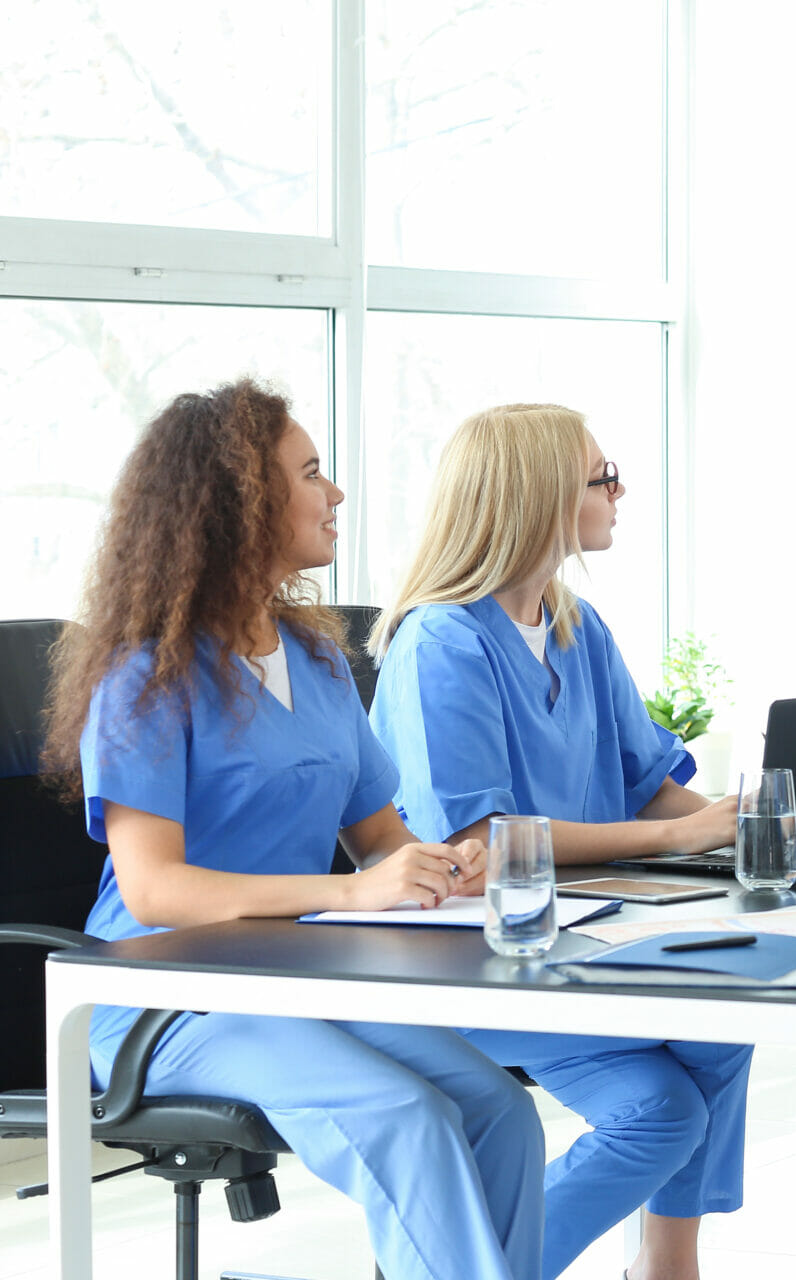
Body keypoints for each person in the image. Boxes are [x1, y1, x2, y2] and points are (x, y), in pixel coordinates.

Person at [40, 379, 544, 1280]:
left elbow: (380, 840)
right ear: (241, 503)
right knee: (408, 1118)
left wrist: (438, 867)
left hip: (293, 977)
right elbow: (155, 889)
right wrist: (352, 892)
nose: (336, 492)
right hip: (166, 996)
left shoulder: (316, 657)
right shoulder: (144, 678)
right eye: (312, 473)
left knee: (500, 1114)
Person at [369, 403, 750, 1280]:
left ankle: (661, 1268)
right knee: (680, 1083)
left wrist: (734, 831)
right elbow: (481, 837)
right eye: (601, 477)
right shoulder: (440, 641)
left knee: (690, 1070)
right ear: (539, 499)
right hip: (472, 957)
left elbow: (651, 778)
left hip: (584, 935)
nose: (620, 491)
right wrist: (676, 838)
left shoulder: (576, 626)